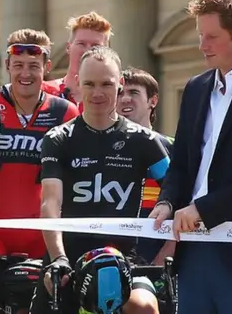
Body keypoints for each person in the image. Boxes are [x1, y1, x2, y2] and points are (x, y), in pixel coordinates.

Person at [150, 0, 232, 313]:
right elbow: (183, 163)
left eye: (211, 36)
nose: (202, 45)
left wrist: (205, 208)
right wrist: (168, 201)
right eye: (200, 35)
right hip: (195, 256)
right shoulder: (195, 88)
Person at [30, 46, 170, 314]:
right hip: (67, 258)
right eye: (89, 84)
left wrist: (168, 205)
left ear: (121, 84)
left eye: (106, 84)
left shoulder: (145, 140)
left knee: (143, 307)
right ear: (78, 85)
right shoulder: (58, 139)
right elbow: (50, 202)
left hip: (124, 259)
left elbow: (176, 186)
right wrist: (58, 257)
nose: (97, 93)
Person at [0, 29, 79, 314]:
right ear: (7, 65)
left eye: (34, 66)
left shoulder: (65, 112)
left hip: (41, 233)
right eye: (18, 65)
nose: (26, 73)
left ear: (46, 67)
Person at [117, 67, 175, 266]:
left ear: (153, 101)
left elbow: (183, 199)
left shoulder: (172, 147)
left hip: (157, 252)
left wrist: (170, 249)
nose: (125, 99)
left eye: (133, 92)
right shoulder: (104, 146)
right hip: (115, 250)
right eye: (120, 92)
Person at [42, 11, 112, 111]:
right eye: (81, 44)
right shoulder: (43, 92)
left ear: (107, 52)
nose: (87, 51)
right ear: (68, 47)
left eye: (95, 46)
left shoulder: (114, 98)